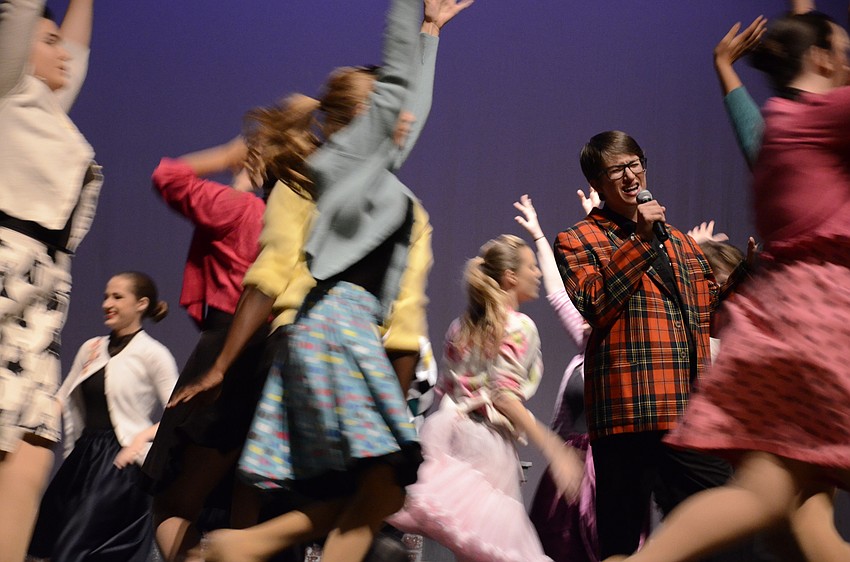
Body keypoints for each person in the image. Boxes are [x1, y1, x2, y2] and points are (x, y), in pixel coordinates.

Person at [167, 1, 472, 560]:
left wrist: (431, 32)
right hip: (334, 331)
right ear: (363, 121)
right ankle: (241, 545)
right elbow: (267, 277)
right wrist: (411, 15)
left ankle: (242, 546)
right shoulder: (335, 169)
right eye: (389, 110)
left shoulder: (380, 187)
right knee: (371, 485)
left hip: (337, 335)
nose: (406, 120)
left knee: (374, 490)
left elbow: (413, 106)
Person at [609, 8, 850, 562]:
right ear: (822, 59)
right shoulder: (819, 117)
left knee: (794, 508)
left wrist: (733, 62)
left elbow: (752, 124)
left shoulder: (782, 128)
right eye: (843, 53)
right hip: (820, 318)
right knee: (769, 496)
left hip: (779, 318)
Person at [553, 131, 751, 560]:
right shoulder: (577, 238)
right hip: (628, 410)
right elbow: (595, 303)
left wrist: (747, 278)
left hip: (688, 409)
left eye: (635, 164)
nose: (630, 175)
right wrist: (642, 240)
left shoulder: (677, 240)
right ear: (598, 184)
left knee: (722, 522)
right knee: (621, 540)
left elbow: (707, 310)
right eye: (616, 169)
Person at [388, 234, 583, 562]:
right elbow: (504, 397)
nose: (536, 274)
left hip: (451, 436)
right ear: (510, 277)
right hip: (487, 444)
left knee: (469, 547)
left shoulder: (458, 327)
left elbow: (451, 389)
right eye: (531, 267)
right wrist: (554, 449)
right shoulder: (519, 326)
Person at [0, 1, 101, 560]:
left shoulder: (45, 108)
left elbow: (79, 54)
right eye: (49, 39)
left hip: (43, 297)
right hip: (5, 275)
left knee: (34, 452)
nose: (64, 52)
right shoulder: (7, 88)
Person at [141, 137, 271, 561]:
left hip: (224, 352)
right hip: (271, 362)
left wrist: (231, 154)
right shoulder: (287, 224)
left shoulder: (239, 210)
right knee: (245, 516)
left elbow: (169, 175)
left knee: (172, 504)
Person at [27, 271, 178, 562]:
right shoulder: (92, 348)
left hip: (121, 464)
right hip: (84, 456)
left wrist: (138, 442)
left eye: (117, 297)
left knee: (76, 546)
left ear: (141, 304)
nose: (107, 303)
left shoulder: (153, 353)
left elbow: (179, 412)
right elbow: (62, 396)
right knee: (50, 539)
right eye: (106, 296)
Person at [516, 193, 598, 562]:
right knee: (554, 544)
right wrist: (537, 235)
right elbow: (556, 292)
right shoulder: (586, 340)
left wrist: (599, 221)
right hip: (567, 462)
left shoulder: (630, 355)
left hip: (608, 466)